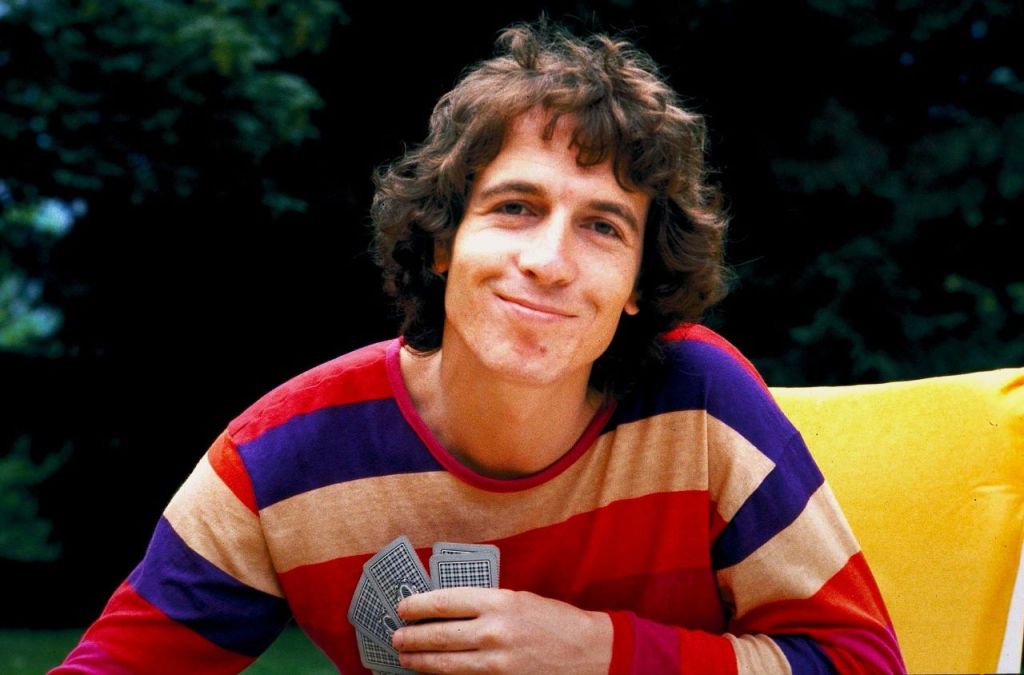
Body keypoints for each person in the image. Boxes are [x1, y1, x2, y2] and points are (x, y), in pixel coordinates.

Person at [55, 21, 905, 674]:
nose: (549, 261)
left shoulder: (704, 401)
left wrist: (597, 651)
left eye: (603, 226)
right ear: (441, 241)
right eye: (515, 207)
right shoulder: (280, 455)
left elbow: (862, 663)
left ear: (639, 284)